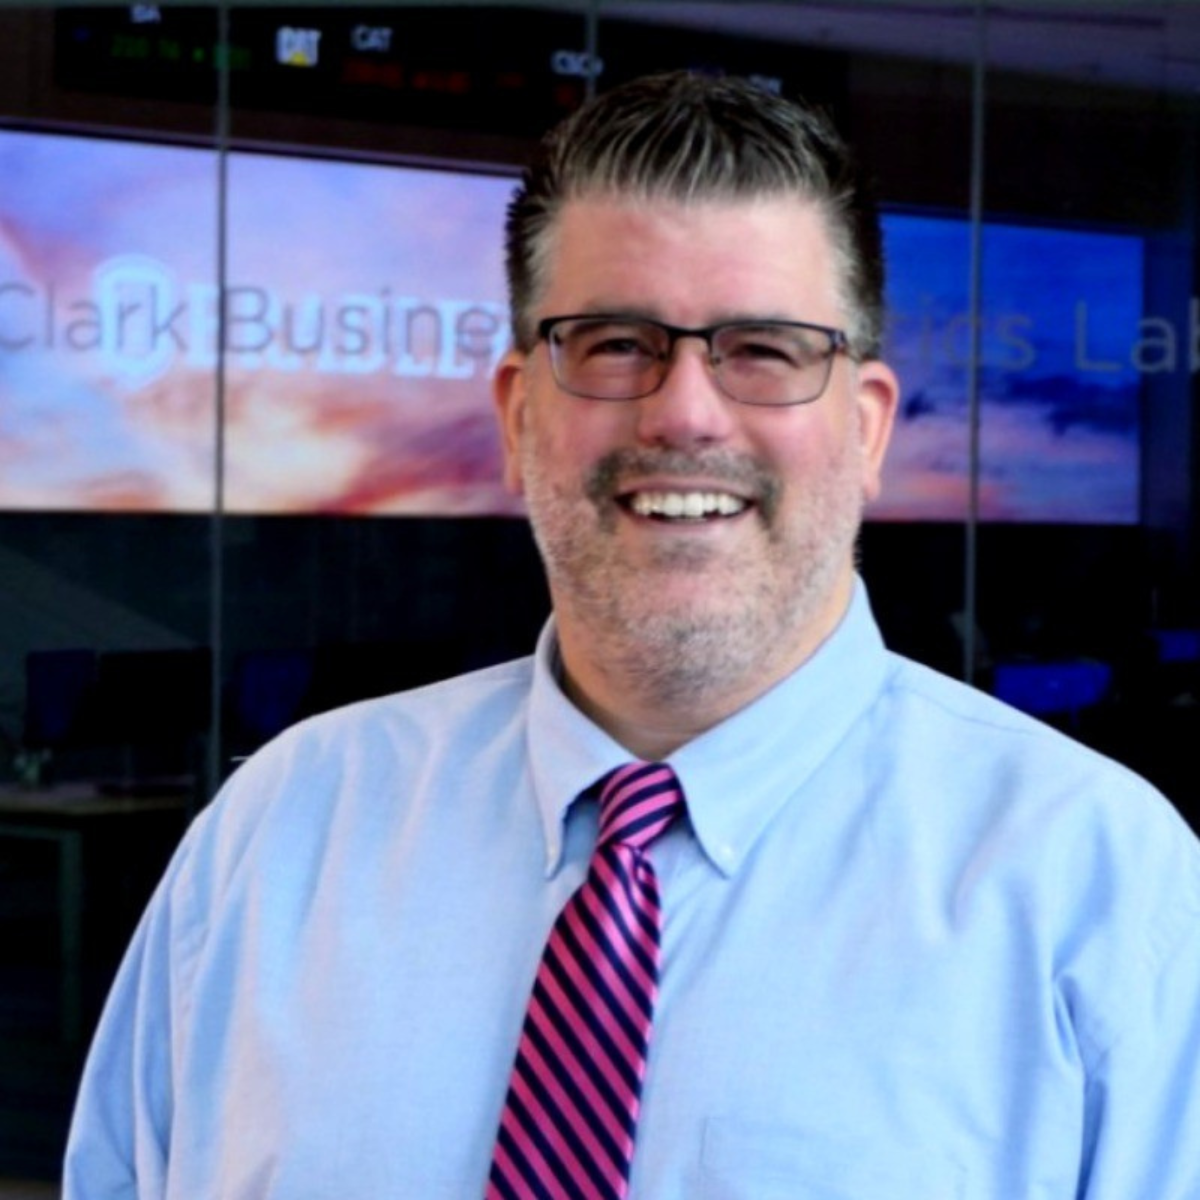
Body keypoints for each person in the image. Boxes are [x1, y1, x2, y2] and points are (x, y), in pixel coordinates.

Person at [65, 71, 1200, 1200]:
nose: (686, 410)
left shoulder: (1099, 890)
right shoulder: (279, 838)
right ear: (518, 417)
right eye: (614, 343)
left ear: (864, 431)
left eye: (765, 348)